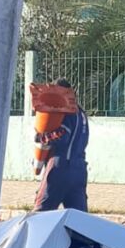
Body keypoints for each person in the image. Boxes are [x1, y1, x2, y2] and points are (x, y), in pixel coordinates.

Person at [33, 79, 89, 212]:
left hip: (60, 168)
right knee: (79, 218)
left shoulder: (65, 112)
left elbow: (62, 136)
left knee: (41, 214)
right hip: (79, 170)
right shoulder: (82, 114)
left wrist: (42, 138)